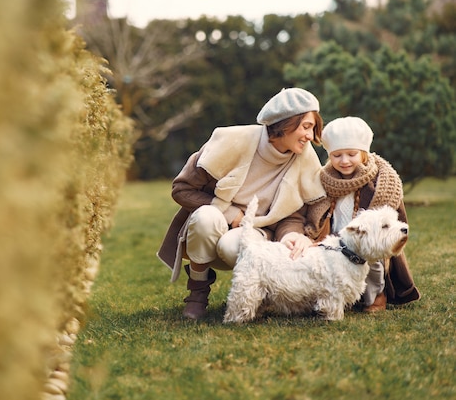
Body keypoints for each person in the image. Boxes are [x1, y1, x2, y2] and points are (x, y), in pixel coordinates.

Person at [157, 88, 327, 320]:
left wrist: (290, 235)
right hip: (215, 223)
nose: (310, 136)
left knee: (230, 246)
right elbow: (182, 189)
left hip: (258, 232)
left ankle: (258, 295)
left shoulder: (304, 158)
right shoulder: (233, 140)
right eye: (306, 127)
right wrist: (231, 213)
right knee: (206, 217)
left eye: (313, 128)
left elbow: (293, 214)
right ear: (284, 123)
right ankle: (197, 293)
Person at [305, 116, 420, 312]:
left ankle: (376, 296)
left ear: (364, 154)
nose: (344, 161)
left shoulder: (380, 183)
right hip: (336, 236)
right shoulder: (326, 180)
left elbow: (394, 214)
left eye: (351, 154)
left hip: (367, 235)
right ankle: (336, 295)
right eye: (337, 155)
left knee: (372, 263)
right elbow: (316, 209)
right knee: (331, 266)